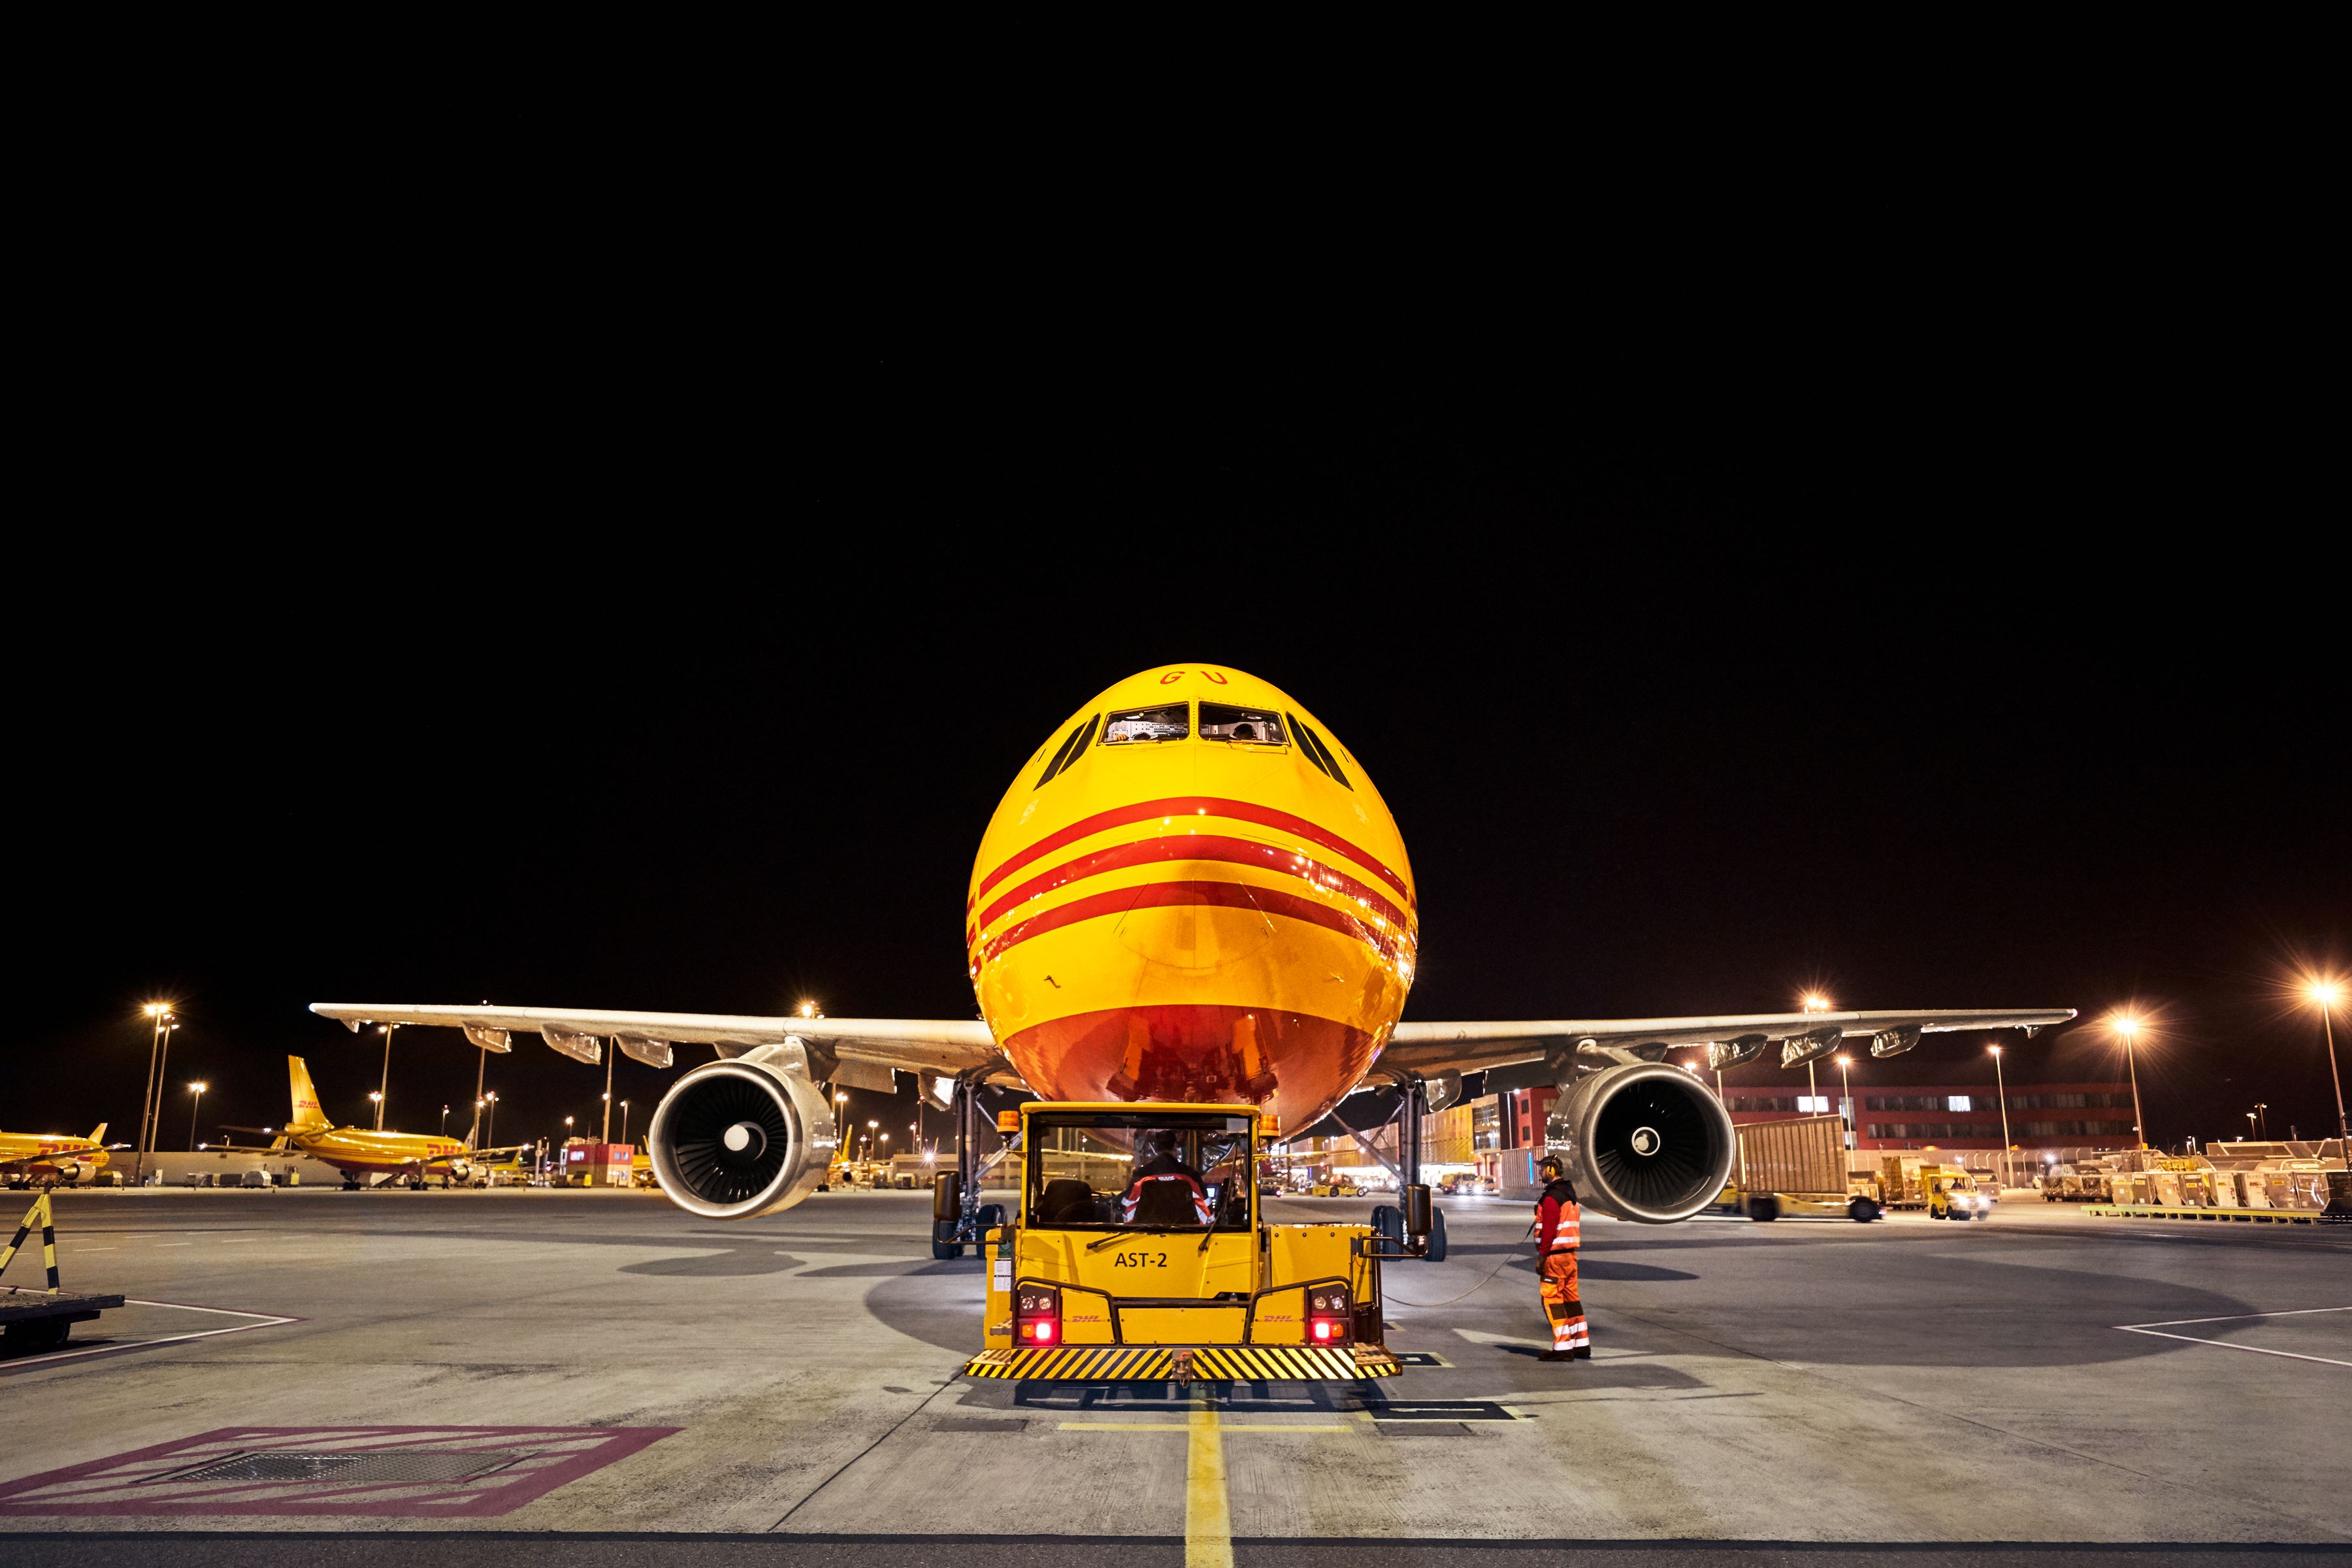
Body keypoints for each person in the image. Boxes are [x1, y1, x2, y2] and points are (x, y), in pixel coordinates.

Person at [1534, 1155, 1588, 1361]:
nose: (1540, 1172)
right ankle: (1581, 1345)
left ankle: (1563, 1348)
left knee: (1552, 1301)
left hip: (1555, 1258)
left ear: (1550, 1171)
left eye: (1542, 1169)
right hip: (1570, 1257)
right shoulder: (1570, 1196)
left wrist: (1542, 1256)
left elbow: (1549, 1231)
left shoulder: (1551, 1198)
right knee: (1572, 1301)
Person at [1122, 1130, 1213, 1224]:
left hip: (1146, 1232)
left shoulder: (1141, 1175)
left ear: (1156, 1150)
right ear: (1175, 1147)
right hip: (1186, 1232)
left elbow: (1128, 1212)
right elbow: (1206, 1213)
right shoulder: (1191, 1175)